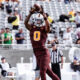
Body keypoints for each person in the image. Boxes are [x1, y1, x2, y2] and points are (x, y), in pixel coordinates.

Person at [24, 4, 60, 80]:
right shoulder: (32, 28)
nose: (39, 22)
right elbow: (25, 23)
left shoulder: (44, 29)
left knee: (42, 72)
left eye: (40, 20)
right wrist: (30, 13)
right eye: (37, 20)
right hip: (36, 53)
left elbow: (48, 27)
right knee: (50, 73)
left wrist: (44, 16)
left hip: (44, 52)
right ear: (34, 20)